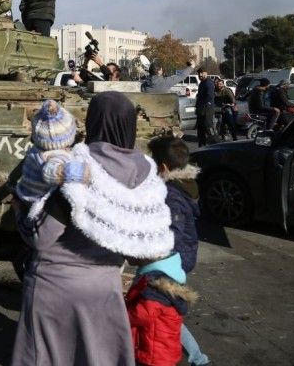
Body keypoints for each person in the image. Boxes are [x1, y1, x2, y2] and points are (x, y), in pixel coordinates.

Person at [11, 92, 173, 366]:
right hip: (105, 290)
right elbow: (140, 250)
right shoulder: (146, 174)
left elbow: (41, 237)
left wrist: (19, 208)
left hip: (55, 288)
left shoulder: (75, 167)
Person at [148, 136, 209, 366]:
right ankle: (197, 358)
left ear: (163, 167)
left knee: (165, 312)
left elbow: (172, 231)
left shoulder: (171, 194)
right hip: (178, 258)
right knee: (168, 313)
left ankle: (198, 359)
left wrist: (154, 252)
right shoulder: (184, 185)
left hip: (170, 261)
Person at [195, 69, 216, 147]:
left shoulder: (208, 83)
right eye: (199, 73)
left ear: (206, 73)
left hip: (206, 111)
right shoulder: (201, 83)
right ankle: (201, 147)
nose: (200, 75)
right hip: (200, 111)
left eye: (202, 73)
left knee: (208, 128)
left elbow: (209, 97)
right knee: (200, 131)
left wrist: (203, 107)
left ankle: (217, 145)